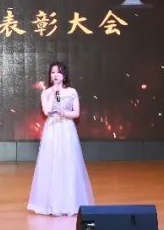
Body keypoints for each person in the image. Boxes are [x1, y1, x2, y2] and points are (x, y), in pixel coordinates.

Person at [26, 61, 95, 215]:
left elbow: (76, 113)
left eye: (58, 72)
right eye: (53, 72)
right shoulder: (46, 93)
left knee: (68, 162)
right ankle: (50, 204)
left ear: (64, 75)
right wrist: (53, 93)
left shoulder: (71, 92)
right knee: (51, 162)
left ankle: (69, 203)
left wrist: (65, 113)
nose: (55, 75)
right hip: (52, 128)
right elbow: (46, 111)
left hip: (67, 129)